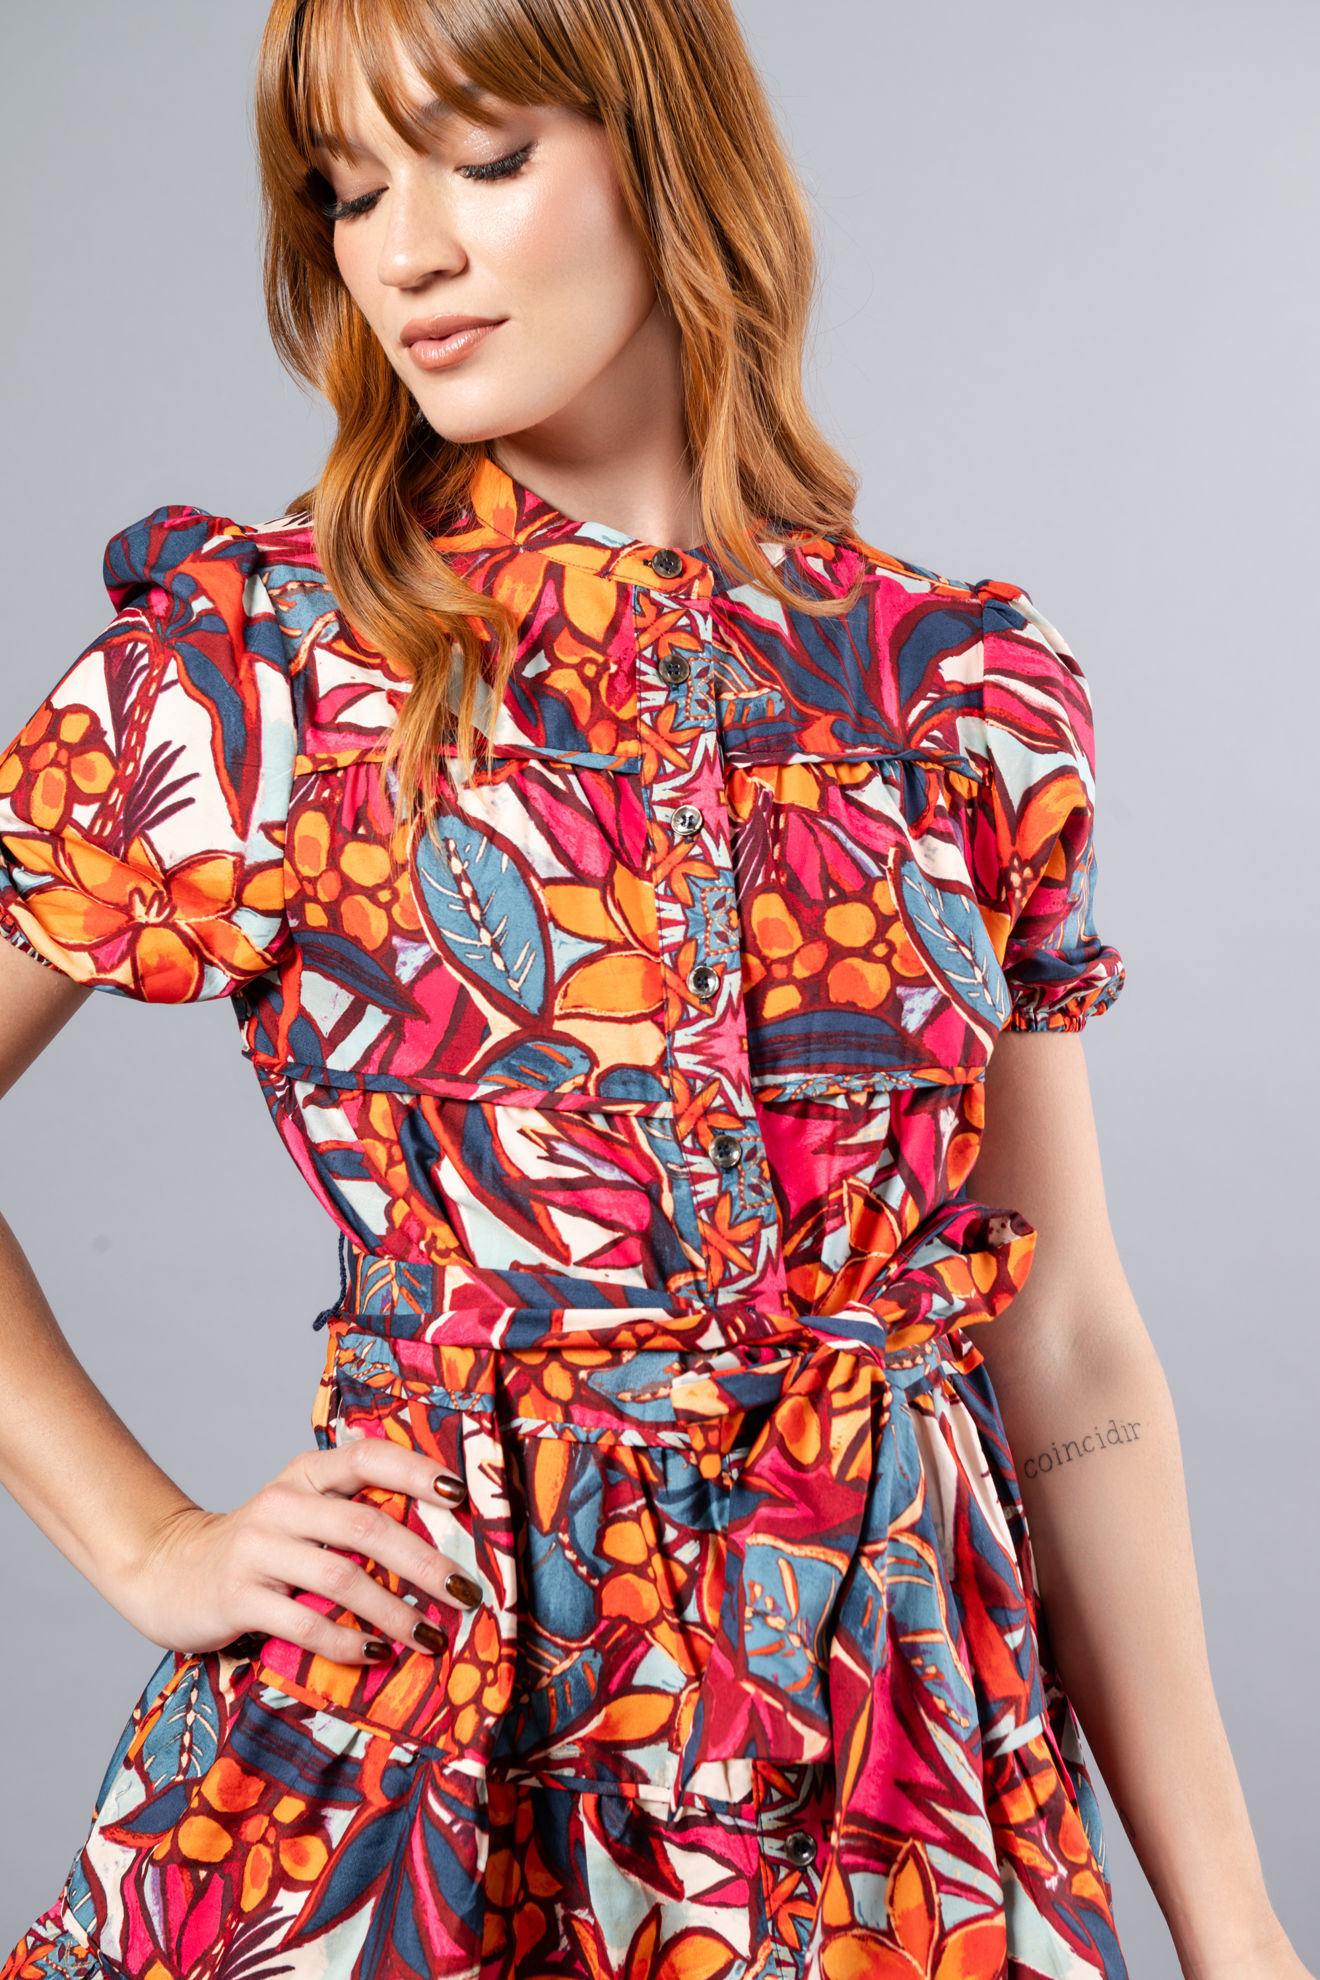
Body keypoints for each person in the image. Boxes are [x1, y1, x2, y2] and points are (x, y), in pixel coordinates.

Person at [0, 2, 1308, 1976]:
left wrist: (1239, 1928)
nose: (404, 252)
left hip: (896, 1788)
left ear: (666, 149)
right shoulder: (264, 675)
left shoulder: (965, 693)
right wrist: (144, 1539)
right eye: (346, 191)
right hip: (439, 1760)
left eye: (483, 158)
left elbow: (1067, 1339)